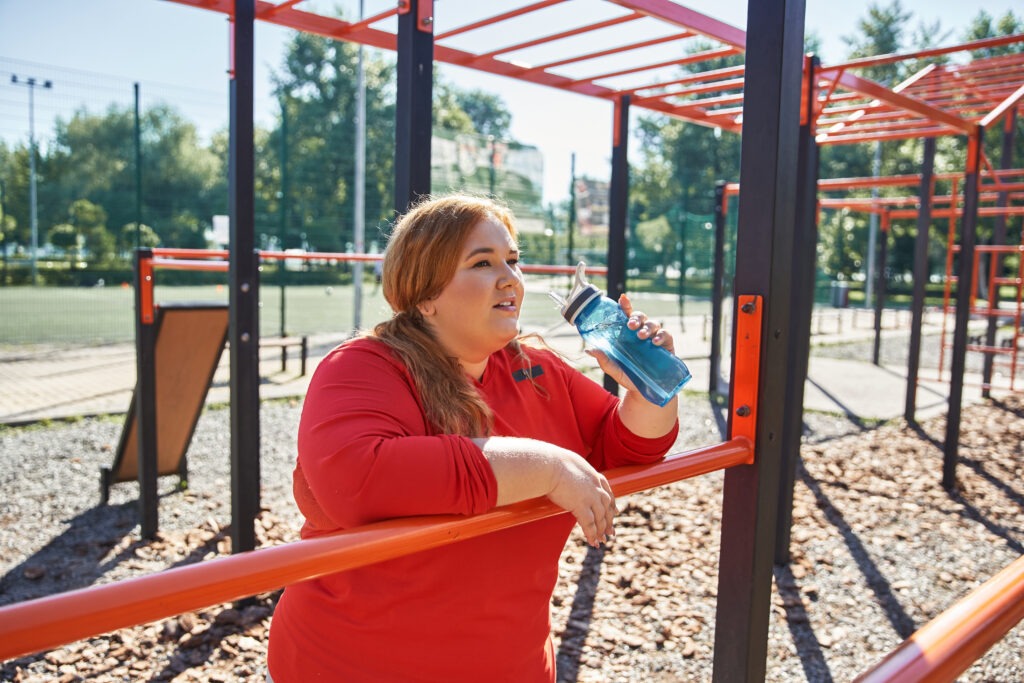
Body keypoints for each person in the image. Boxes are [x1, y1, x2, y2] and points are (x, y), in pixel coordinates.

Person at [267, 194, 681, 682]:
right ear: (425, 294)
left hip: (511, 666)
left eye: (513, 260)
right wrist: (545, 466)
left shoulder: (536, 368)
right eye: (483, 263)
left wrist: (647, 386)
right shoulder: (364, 366)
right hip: (351, 664)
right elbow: (357, 482)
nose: (510, 278)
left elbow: (630, 446)